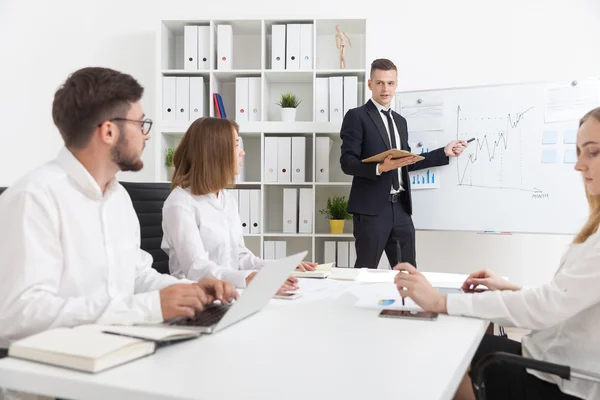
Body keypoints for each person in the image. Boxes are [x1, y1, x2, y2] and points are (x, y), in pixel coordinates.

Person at [0, 67, 237, 348]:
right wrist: (150, 307)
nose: (146, 135)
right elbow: (17, 315)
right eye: (140, 124)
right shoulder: (34, 198)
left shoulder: (118, 198)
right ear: (109, 131)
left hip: (122, 349)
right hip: (60, 374)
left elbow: (136, 275)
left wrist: (191, 289)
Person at [393, 107, 600, 400]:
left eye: (593, 152)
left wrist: (440, 301)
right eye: (579, 151)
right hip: (547, 357)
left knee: (443, 357)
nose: (579, 165)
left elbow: (549, 306)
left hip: (560, 378)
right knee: (457, 345)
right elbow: (567, 298)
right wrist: (512, 288)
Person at [161, 117, 317, 292]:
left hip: (232, 292)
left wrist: (278, 268)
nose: (242, 152)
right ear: (215, 151)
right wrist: (248, 278)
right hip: (197, 297)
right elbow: (196, 269)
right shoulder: (180, 204)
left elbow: (240, 256)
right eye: (236, 144)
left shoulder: (227, 199)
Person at [340, 58, 466, 269]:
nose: (385, 88)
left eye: (390, 83)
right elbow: (347, 163)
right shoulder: (357, 116)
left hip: (400, 209)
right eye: (379, 82)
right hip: (371, 211)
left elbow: (406, 162)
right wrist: (380, 168)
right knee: (366, 271)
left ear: (396, 84)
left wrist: (443, 152)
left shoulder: (400, 121)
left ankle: (402, 304)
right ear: (370, 84)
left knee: (408, 273)